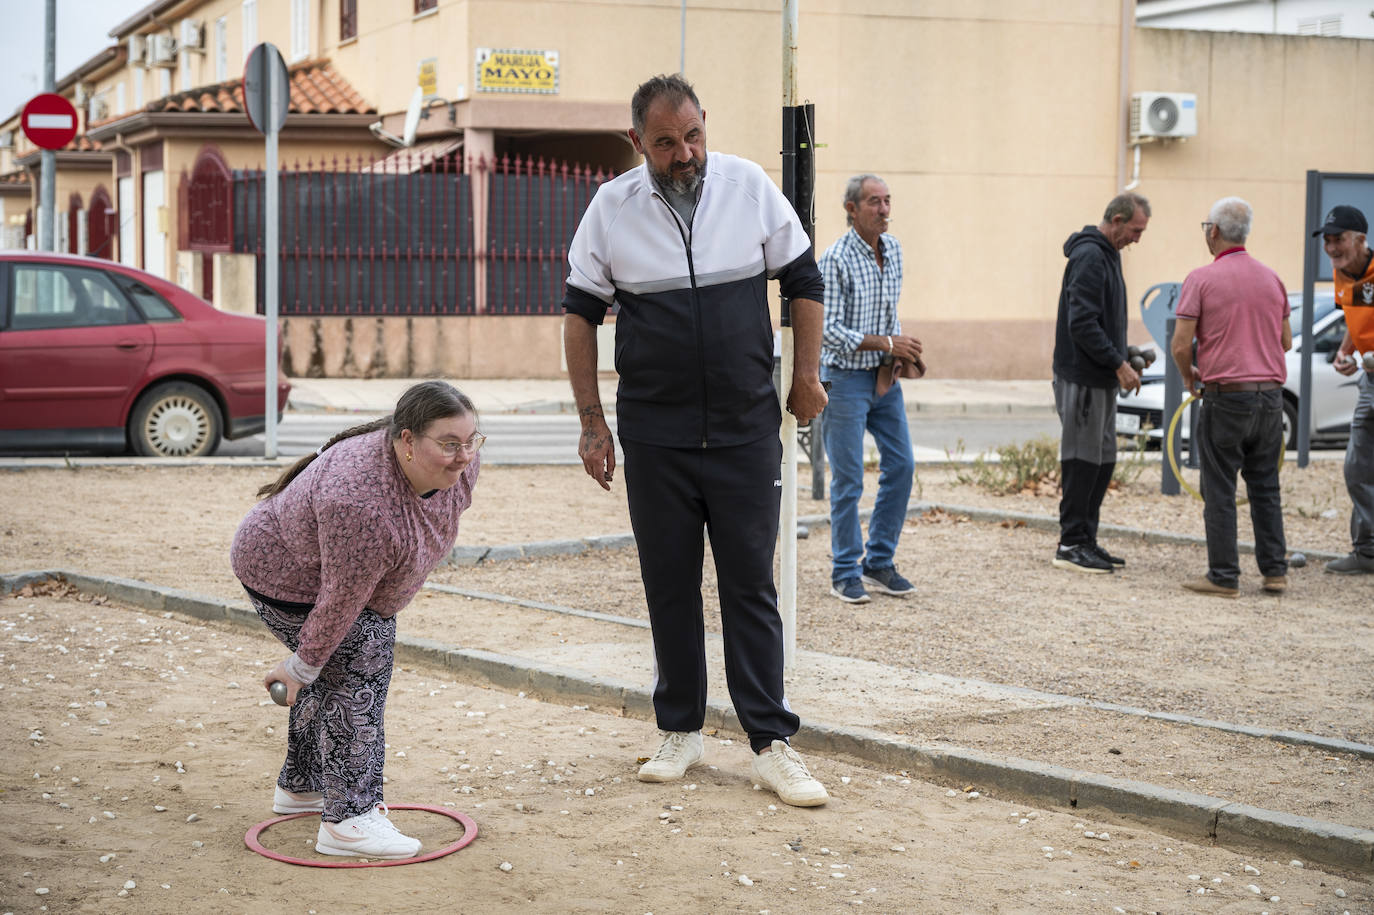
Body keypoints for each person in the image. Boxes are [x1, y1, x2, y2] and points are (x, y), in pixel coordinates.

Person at [561, 74, 831, 807]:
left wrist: (805, 376)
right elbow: (580, 314)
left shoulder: (746, 185)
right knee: (669, 585)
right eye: (666, 143)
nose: (685, 154)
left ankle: (771, 743)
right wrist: (592, 420)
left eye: (693, 136)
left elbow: (804, 279)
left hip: (746, 428)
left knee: (751, 585)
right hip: (656, 433)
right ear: (636, 143)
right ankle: (679, 728)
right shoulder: (611, 208)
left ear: (705, 125)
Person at [230, 381, 483, 859]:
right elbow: (341, 601)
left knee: (343, 662)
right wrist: (301, 667)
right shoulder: (359, 502)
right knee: (359, 666)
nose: (464, 455)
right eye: (449, 444)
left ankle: (302, 786)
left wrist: (311, 668)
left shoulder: (459, 465)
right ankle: (348, 821)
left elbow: (434, 521)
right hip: (284, 573)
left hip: (342, 582)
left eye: (472, 440)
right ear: (407, 441)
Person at [1170, 197, 1291, 597]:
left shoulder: (1201, 279)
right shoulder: (1272, 279)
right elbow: (1286, 340)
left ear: (1214, 231)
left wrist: (1190, 376)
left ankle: (1223, 576)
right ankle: (1275, 572)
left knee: (1219, 486)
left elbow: (1180, 345)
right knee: (1265, 485)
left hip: (1226, 397)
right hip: (1271, 397)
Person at [818, 174, 921, 603]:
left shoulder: (893, 249)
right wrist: (886, 343)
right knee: (849, 478)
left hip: (883, 377)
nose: (883, 209)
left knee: (902, 466)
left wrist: (898, 352)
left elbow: (887, 310)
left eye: (886, 201)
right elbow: (828, 330)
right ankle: (845, 570)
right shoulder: (834, 259)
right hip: (843, 379)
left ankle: (878, 561)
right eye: (873, 202)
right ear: (851, 209)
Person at [1050, 193, 1149, 573]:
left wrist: (1125, 351)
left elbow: (1098, 321)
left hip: (1099, 377)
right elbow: (1082, 323)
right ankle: (1071, 543)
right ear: (1118, 219)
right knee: (1082, 460)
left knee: (1102, 460)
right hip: (1082, 377)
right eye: (1136, 230)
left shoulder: (1108, 254)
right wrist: (1118, 363)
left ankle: (1086, 538)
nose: (1137, 239)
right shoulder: (1091, 256)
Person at [1318, 205, 1374, 574]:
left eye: (1339, 239)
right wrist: (1345, 352)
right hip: (1370, 380)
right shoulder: (1341, 275)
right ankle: (1367, 552)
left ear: (1360, 240)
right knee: (1358, 465)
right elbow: (1352, 318)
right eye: (1327, 240)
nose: (1332, 247)